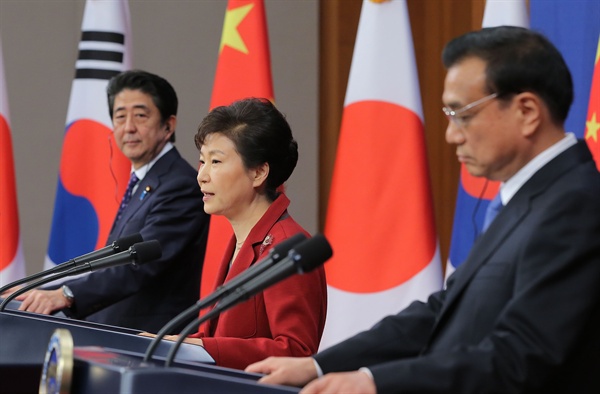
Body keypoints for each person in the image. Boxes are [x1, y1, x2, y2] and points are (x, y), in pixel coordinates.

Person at [246, 26, 600, 394]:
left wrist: (373, 382)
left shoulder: (576, 204)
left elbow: (522, 355)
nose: (451, 134)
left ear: (527, 111)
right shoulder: (526, 199)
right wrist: (319, 365)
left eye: (463, 114)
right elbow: (445, 311)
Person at [16, 70, 210, 333]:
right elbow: (110, 268)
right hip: (116, 335)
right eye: (120, 117)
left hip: (149, 340)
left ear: (168, 125)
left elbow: (137, 265)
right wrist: (35, 292)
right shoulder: (144, 180)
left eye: (140, 115)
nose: (128, 127)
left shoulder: (180, 185)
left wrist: (66, 293)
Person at [158, 97, 327, 370]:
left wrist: (200, 347)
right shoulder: (242, 240)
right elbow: (220, 337)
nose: (201, 175)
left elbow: (296, 352)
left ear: (259, 172)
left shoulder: (286, 247)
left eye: (215, 161)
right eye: (202, 161)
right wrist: (172, 344)